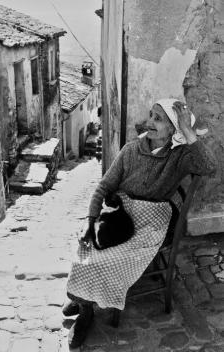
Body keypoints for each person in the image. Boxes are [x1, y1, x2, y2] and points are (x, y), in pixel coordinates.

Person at [64, 99, 217, 348]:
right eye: (151, 115)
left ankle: (85, 308)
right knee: (87, 247)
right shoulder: (132, 149)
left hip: (152, 220)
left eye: (159, 118)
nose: (150, 122)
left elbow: (210, 167)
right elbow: (104, 186)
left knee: (111, 257)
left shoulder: (180, 156)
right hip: (122, 213)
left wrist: (188, 132)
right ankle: (85, 301)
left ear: (173, 129)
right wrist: (90, 222)